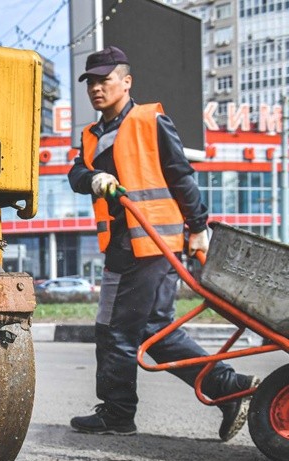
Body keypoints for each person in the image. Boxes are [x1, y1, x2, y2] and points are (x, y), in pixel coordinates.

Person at [68, 46, 258, 440]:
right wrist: (91, 179)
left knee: (119, 330)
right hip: (121, 246)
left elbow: (181, 175)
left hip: (154, 244)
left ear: (126, 81)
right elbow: (76, 173)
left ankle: (118, 414)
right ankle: (228, 387)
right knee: (152, 331)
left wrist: (197, 226)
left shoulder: (148, 120)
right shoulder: (91, 135)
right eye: (91, 82)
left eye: (105, 80)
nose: (97, 89)